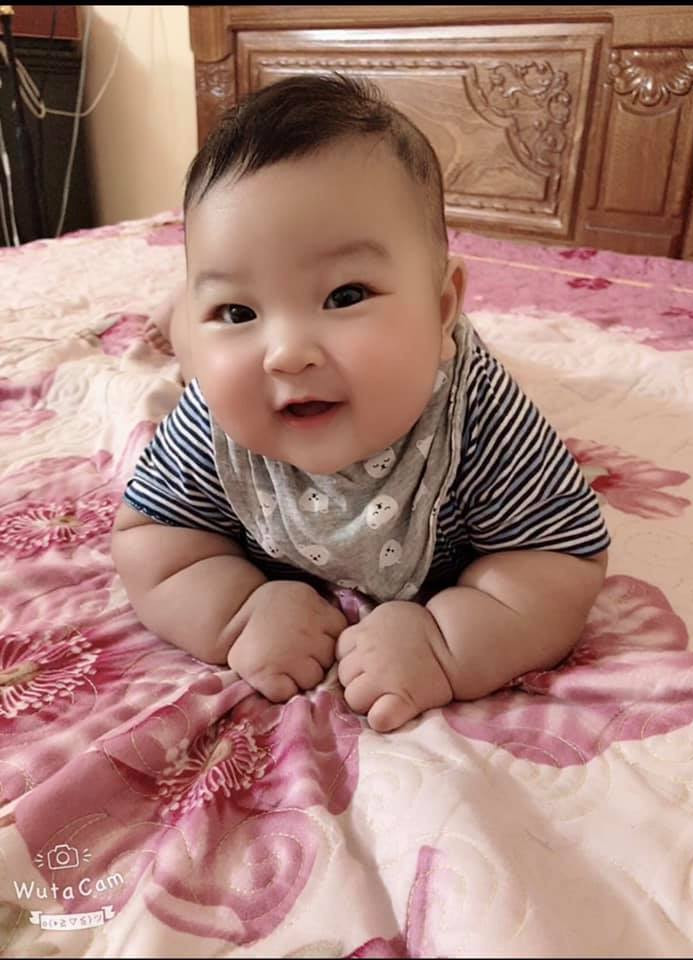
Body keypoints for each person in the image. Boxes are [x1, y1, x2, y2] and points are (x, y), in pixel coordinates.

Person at [112, 74, 609, 733]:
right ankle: (184, 315)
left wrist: (448, 644)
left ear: (441, 307)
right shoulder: (213, 415)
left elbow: (560, 557)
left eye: (345, 296)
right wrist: (237, 614)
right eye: (238, 310)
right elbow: (151, 538)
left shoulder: (477, 415)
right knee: (200, 351)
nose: (287, 353)